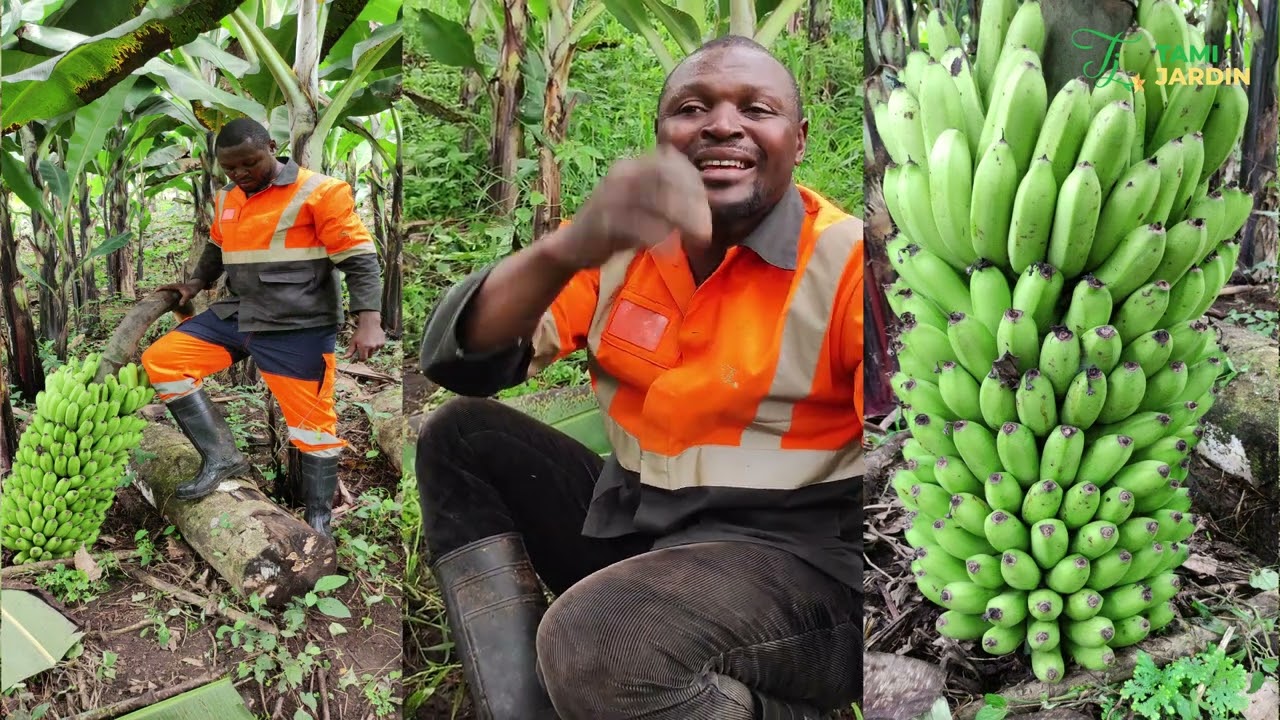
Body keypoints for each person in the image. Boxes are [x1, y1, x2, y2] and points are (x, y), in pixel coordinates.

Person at [416, 36, 862, 719]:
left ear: (797, 140)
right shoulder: (619, 243)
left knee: (601, 641)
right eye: (692, 107)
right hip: (650, 529)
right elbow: (462, 358)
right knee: (461, 436)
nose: (721, 123)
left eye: (756, 108)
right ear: (661, 140)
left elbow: (915, 481)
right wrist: (567, 248)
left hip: (802, 571)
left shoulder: (851, 265)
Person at [141, 118, 386, 537]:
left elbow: (359, 258)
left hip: (298, 324)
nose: (240, 175)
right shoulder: (228, 198)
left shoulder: (320, 191)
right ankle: (221, 458)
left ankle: (319, 521)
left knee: (313, 427)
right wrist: (195, 283)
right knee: (163, 360)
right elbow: (218, 245)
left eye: (249, 164)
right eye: (230, 169)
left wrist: (370, 322)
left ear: (272, 147)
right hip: (238, 315)